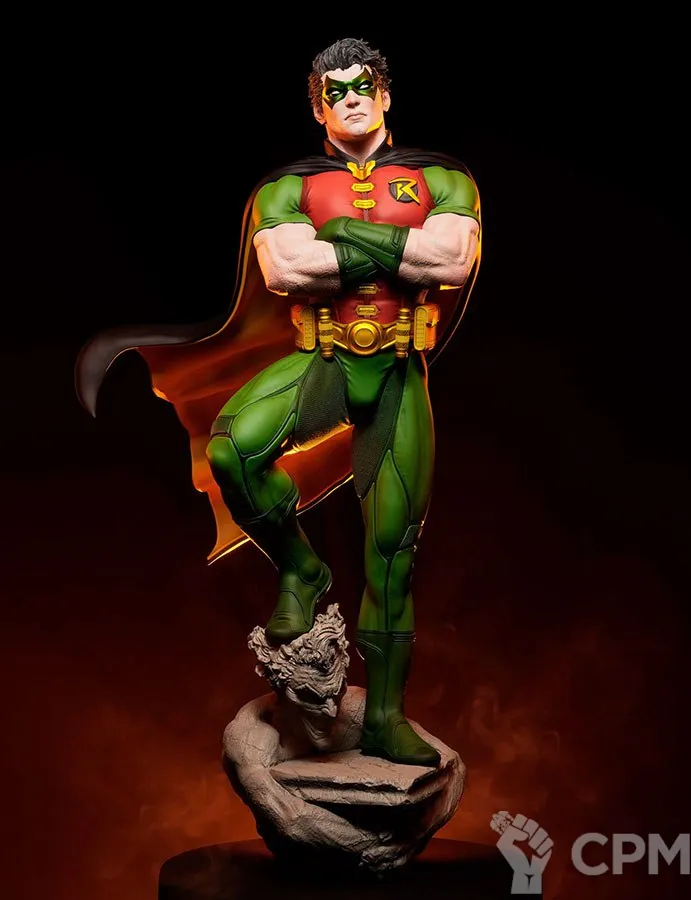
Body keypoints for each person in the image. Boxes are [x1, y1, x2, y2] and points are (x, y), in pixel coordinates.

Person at [75, 37, 481, 767]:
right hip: (321, 362)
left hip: (399, 373)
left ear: (385, 95)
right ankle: (300, 567)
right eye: (334, 92)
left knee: (392, 556)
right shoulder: (286, 188)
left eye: (362, 87)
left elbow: (451, 260)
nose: (350, 100)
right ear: (317, 106)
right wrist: (397, 248)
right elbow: (289, 270)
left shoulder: (442, 178)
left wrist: (344, 234)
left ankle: (384, 719)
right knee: (232, 448)